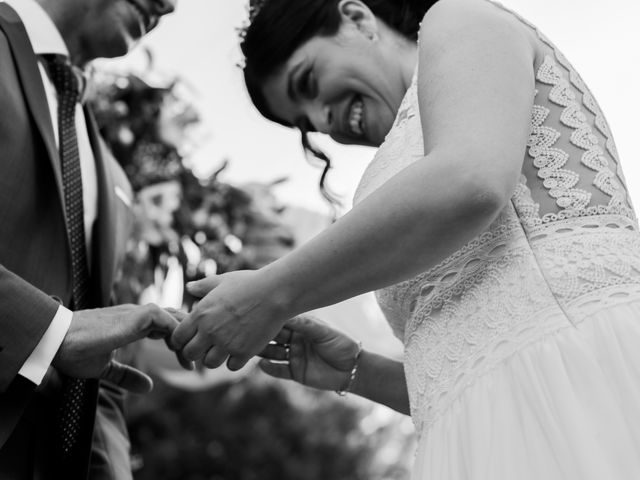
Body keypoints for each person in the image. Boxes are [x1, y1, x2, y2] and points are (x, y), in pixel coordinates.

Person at [174, 0, 640, 477]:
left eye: (309, 83)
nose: (322, 120)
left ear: (356, 19)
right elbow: (486, 363)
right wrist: (359, 371)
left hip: (589, 385)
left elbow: (470, 180)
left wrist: (271, 293)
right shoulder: (409, 152)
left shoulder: (457, 18)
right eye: (307, 122)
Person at [0, 0, 184, 479]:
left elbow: (96, 363)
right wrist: (50, 330)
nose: (170, 5)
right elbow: (68, 334)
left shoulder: (112, 173)